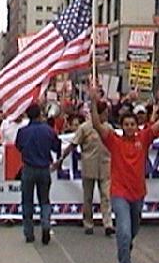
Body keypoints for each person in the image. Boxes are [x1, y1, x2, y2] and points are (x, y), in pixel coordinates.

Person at [90, 86, 159, 263]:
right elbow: (96, 124)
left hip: (138, 193)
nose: (130, 127)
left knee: (133, 229)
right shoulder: (114, 141)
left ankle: (125, 247)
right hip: (119, 192)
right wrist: (93, 102)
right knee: (123, 228)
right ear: (122, 126)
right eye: (126, 124)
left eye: (132, 124)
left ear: (136, 126)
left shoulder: (144, 138)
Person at [55, 101, 115, 236]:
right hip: (89, 165)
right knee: (88, 197)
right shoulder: (85, 128)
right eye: (104, 113)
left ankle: (108, 224)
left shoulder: (108, 128)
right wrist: (61, 159)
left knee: (106, 196)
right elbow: (73, 144)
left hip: (105, 165)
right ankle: (88, 222)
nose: (106, 116)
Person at [16, 103, 62, 245]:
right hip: (44, 168)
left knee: (27, 201)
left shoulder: (23, 132)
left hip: (28, 168)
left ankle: (29, 233)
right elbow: (56, 146)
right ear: (40, 114)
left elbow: (19, 146)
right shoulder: (48, 131)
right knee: (44, 200)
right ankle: (46, 224)